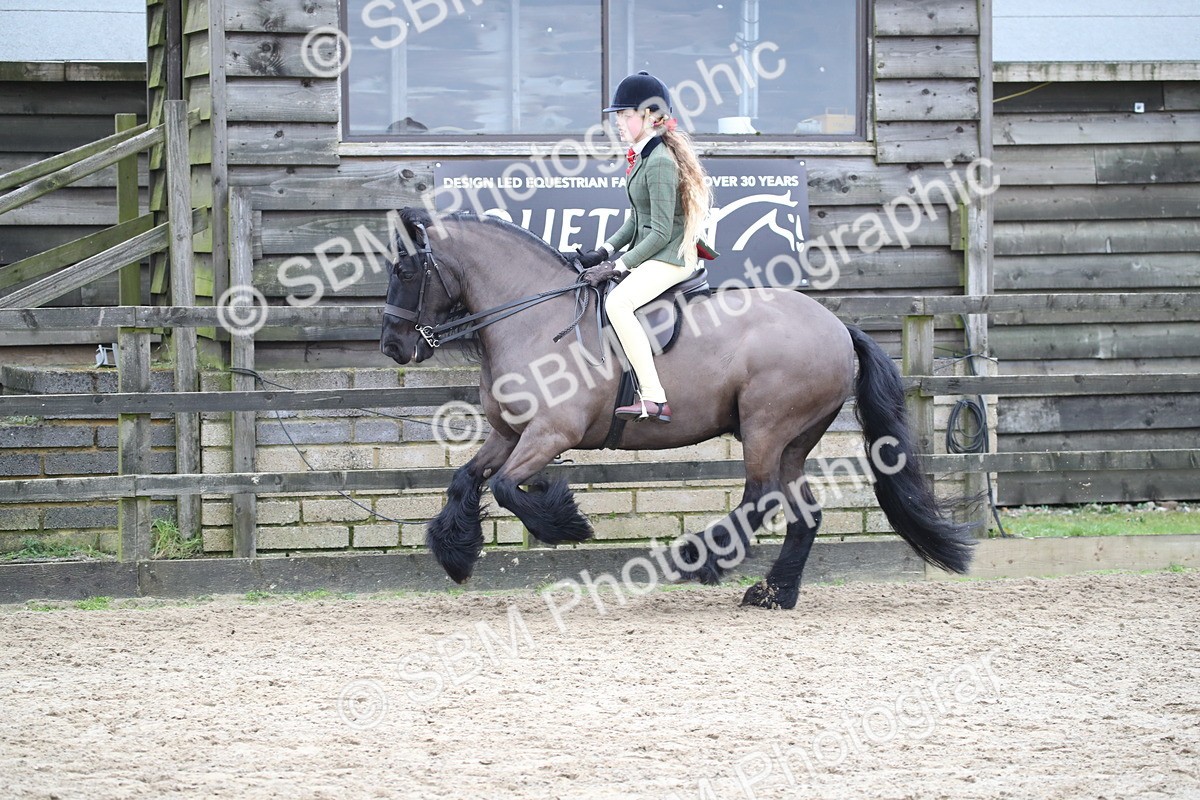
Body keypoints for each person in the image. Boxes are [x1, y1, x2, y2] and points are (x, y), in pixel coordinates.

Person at [575, 71, 713, 424]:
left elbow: (662, 231)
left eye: (625, 116)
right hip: (655, 251)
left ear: (650, 117)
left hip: (671, 256)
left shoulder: (662, 162)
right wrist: (603, 251)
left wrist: (620, 265)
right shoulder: (643, 157)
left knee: (618, 303)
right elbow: (638, 219)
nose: (618, 123)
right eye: (618, 116)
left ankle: (654, 397)